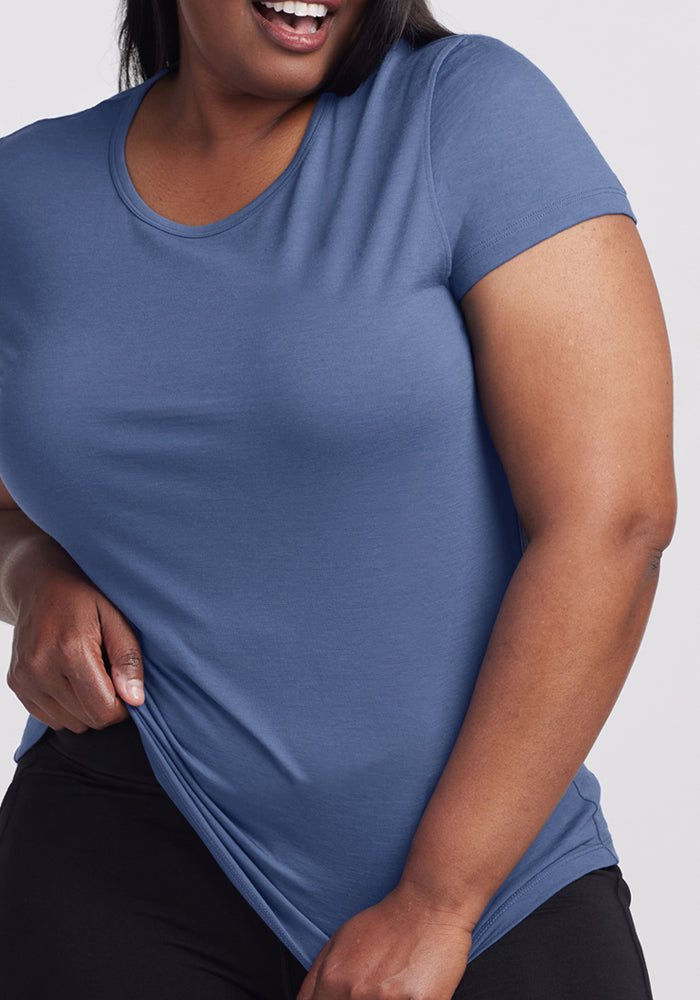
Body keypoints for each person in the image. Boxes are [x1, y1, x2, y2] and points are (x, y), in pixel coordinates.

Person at [0, 1, 675, 998]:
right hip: (114, 849)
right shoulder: (25, 192)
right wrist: (28, 566)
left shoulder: (465, 114)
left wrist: (439, 901)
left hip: (492, 884)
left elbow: (612, 519)